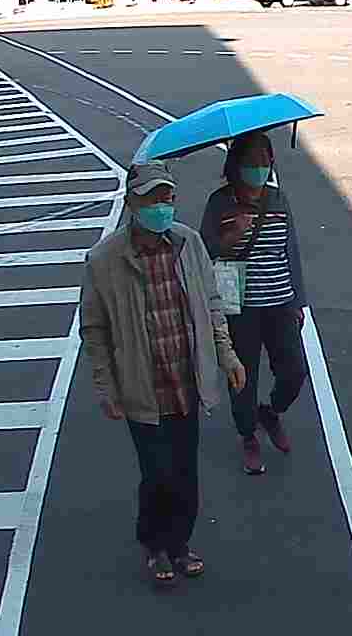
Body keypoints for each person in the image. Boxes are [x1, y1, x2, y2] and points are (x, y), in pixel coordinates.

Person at [80, 162, 245, 588]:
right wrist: (106, 387)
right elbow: (94, 330)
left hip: (187, 382)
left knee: (185, 473)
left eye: (168, 197)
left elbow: (212, 303)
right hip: (142, 387)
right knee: (157, 473)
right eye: (153, 198)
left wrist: (227, 357)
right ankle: (154, 543)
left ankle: (179, 543)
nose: (162, 206)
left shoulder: (188, 244)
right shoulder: (104, 260)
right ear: (131, 203)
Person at [202, 132, 311, 476]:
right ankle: (248, 434)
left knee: (294, 371)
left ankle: (271, 412)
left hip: (280, 303)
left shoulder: (278, 199)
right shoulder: (220, 202)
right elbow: (204, 252)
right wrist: (231, 237)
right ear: (236, 165)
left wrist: (298, 301)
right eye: (251, 162)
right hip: (239, 306)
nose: (259, 168)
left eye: (265, 161)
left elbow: (290, 251)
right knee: (242, 375)